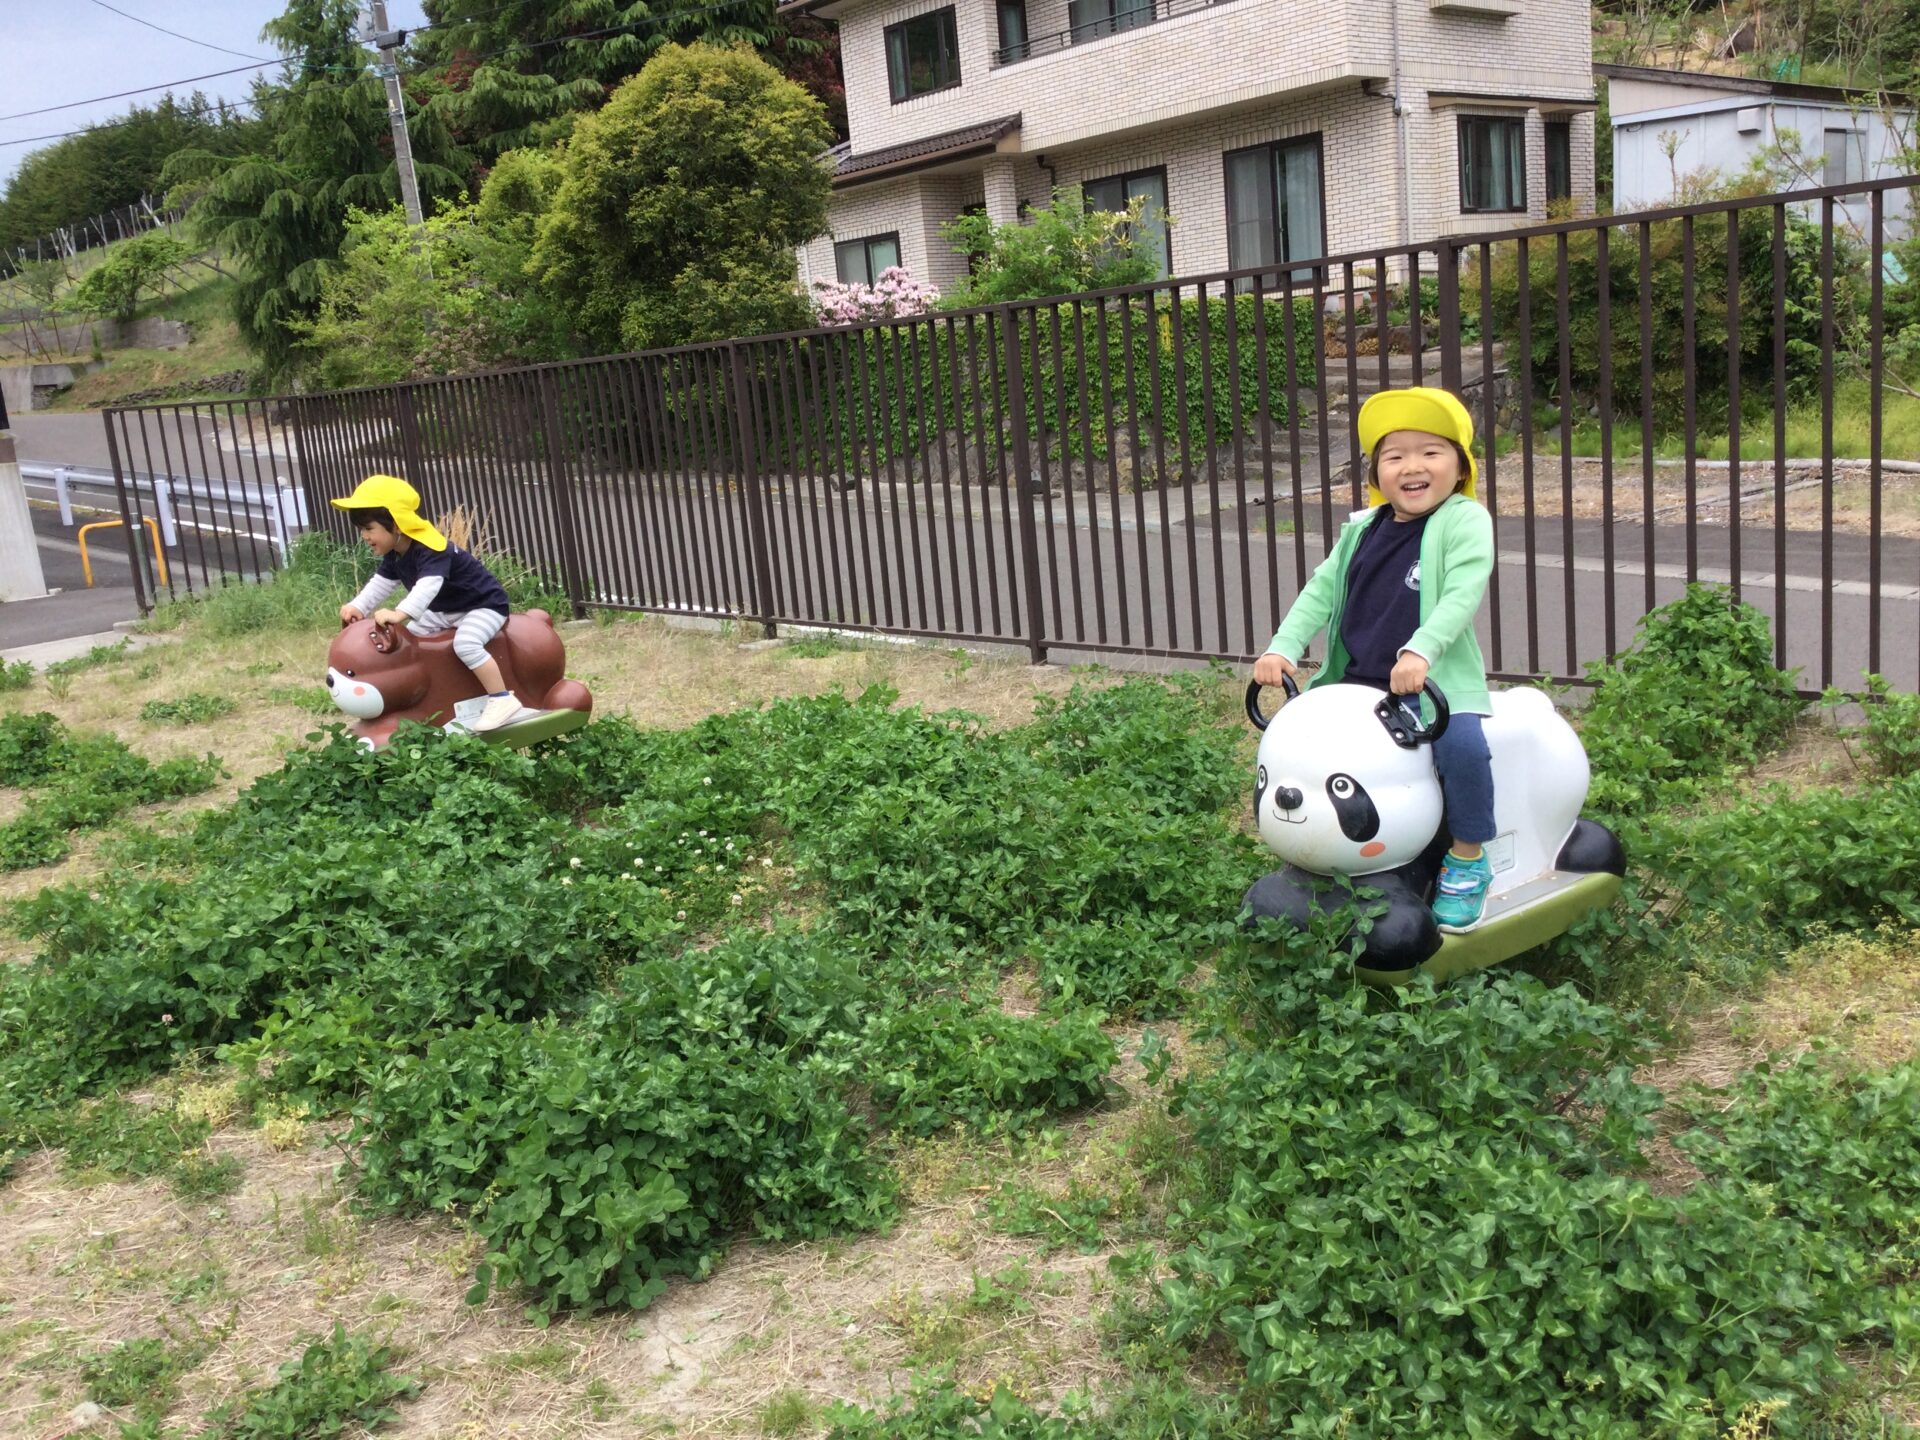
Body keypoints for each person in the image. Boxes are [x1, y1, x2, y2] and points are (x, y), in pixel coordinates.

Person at [1251, 386, 1498, 932]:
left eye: (1431, 452)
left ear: (1460, 466)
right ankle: (1322, 845)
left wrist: (1421, 650)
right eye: (1395, 455)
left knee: (1461, 749)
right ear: (1376, 472)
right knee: (1308, 749)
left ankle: (1467, 856)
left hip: (1432, 686)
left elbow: (1462, 592)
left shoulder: (1464, 521)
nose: (1413, 466)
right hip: (1355, 684)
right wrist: (1283, 647)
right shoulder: (1363, 528)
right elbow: (1321, 588)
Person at [331, 475, 524, 734]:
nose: (364, 536)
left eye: (369, 528)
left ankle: (502, 699)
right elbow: (380, 583)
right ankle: (433, 697)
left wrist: (400, 613)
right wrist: (358, 606)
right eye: (362, 530)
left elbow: (428, 586)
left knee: (466, 644)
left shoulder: (431, 547)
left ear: (396, 525)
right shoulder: (396, 553)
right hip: (445, 611)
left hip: (482, 605)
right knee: (413, 642)